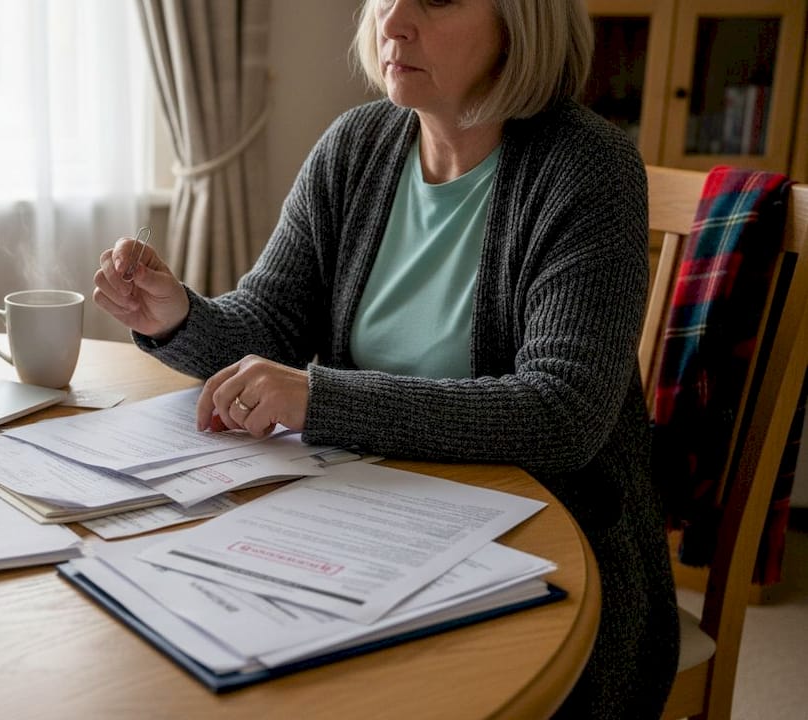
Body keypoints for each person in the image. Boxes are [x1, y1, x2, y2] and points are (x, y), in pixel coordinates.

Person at [94, 0, 678, 716]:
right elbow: (268, 322)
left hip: (551, 548)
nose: (392, 21)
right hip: (370, 519)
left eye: (434, 0)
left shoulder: (589, 168)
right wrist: (178, 313)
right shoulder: (356, 146)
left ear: (520, 19)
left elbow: (562, 414)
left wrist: (320, 397)